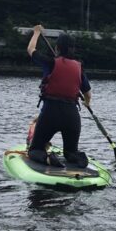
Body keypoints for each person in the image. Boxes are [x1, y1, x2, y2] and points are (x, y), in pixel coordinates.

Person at [26, 24, 91, 168]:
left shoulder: (49, 63)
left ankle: (49, 159)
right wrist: (86, 103)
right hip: (72, 116)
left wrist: (36, 33)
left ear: (57, 48)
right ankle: (78, 158)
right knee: (70, 152)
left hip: (51, 113)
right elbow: (87, 93)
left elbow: (31, 50)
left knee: (35, 149)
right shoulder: (79, 67)